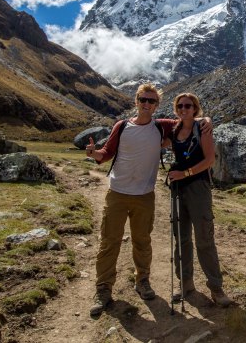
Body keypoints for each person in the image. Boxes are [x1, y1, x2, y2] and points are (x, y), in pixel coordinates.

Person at [85, 83, 210, 317]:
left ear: (157, 105)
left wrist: (207, 120)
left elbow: (189, 119)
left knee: (142, 241)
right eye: (143, 99)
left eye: (151, 101)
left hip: (144, 195)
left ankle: (142, 281)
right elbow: (106, 153)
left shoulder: (162, 127)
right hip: (117, 193)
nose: (146, 104)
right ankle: (103, 289)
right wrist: (94, 153)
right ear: (136, 101)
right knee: (109, 241)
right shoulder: (122, 126)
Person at [167, 93, 232, 307]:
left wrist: (184, 173)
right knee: (181, 238)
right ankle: (185, 284)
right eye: (180, 105)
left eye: (188, 105)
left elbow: (210, 160)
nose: (184, 109)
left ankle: (216, 287)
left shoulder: (202, 128)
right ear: (176, 108)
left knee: (204, 238)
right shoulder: (174, 129)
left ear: (195, 108)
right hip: (178, 189)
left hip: (198, 187)